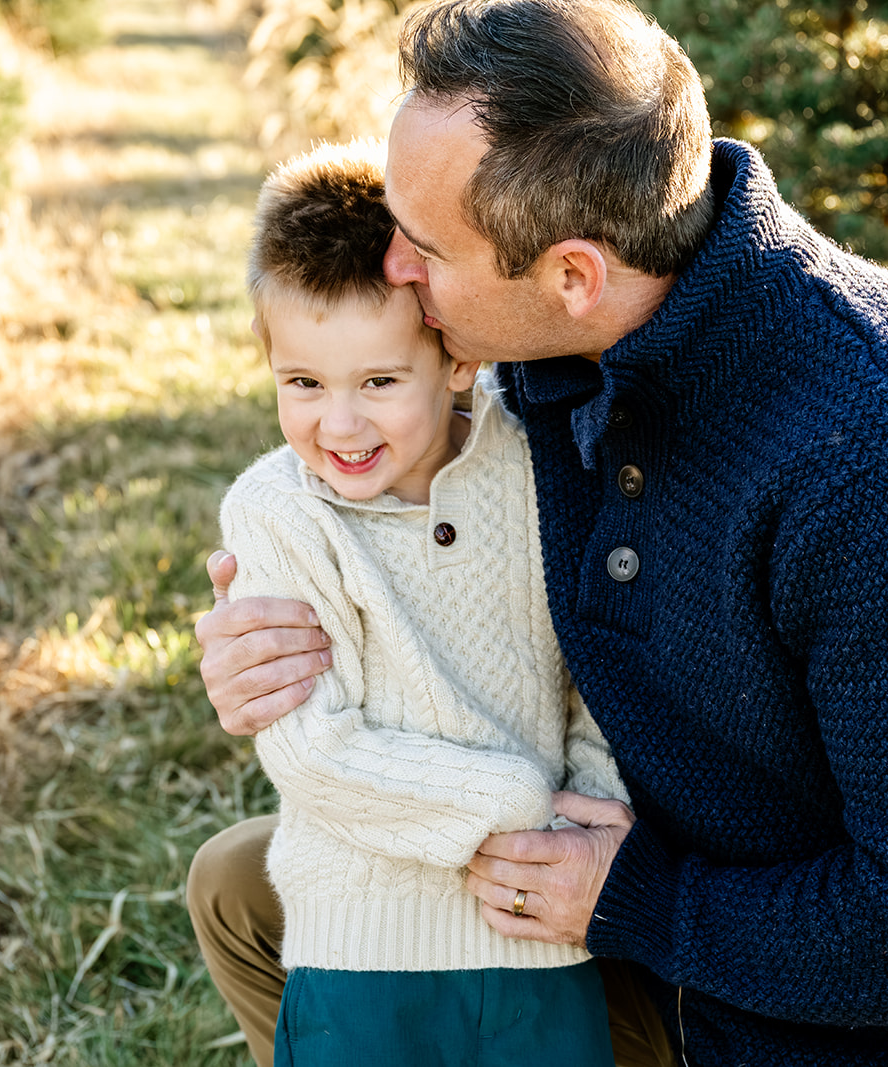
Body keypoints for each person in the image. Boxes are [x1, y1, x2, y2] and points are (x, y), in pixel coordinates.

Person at [190, 0, 888, 1064]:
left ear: (573, 273)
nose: (392, 269)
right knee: (248, 888)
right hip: (640, 918)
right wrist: (278, 630)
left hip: (821, 1029)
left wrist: (638, 903)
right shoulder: (543, 354)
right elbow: (412, 515)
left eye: (424, 246)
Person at [208, 137, 630, 1067]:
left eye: (379, 382)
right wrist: (521, 803)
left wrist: (586, 813)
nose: (340, 423)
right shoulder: (276, 513)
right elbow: (317, 749)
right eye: (304, 384)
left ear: (454, 363)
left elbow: (595, 670)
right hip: (364, 954)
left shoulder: (537, 471)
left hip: (538, 941)